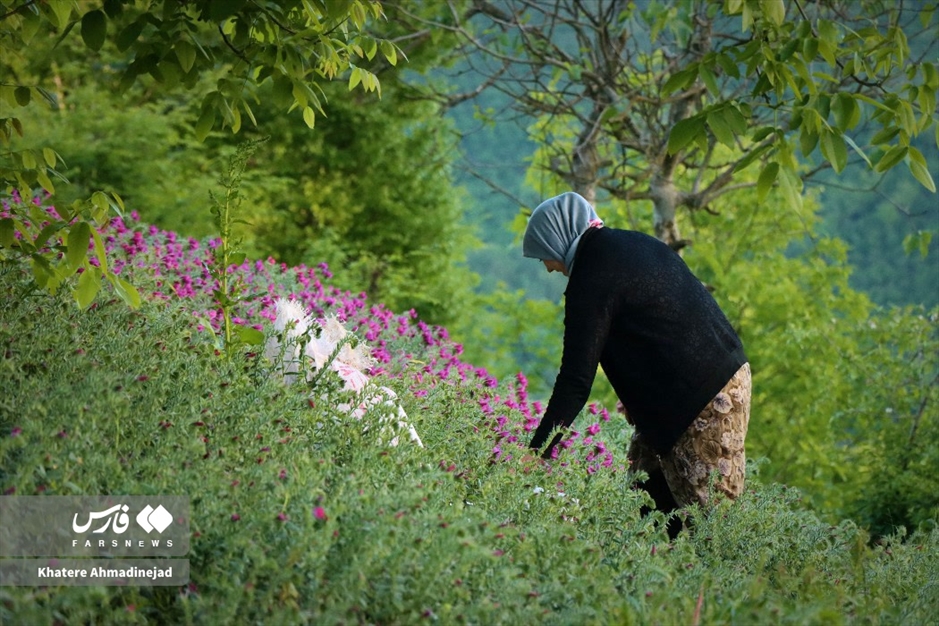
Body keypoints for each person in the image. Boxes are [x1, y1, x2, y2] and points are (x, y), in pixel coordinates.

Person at [522, 191, 751, 536]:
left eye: (545, 256)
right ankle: (656, 575)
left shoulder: (591, 278)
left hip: (706, 400)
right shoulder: (631, 244)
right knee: (646, 496)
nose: (550, 267)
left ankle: (725, 587)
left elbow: (575, 380)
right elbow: (659, 322)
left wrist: (534, 455)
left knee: (711, 531)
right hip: (713, 380)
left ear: (557, 239)